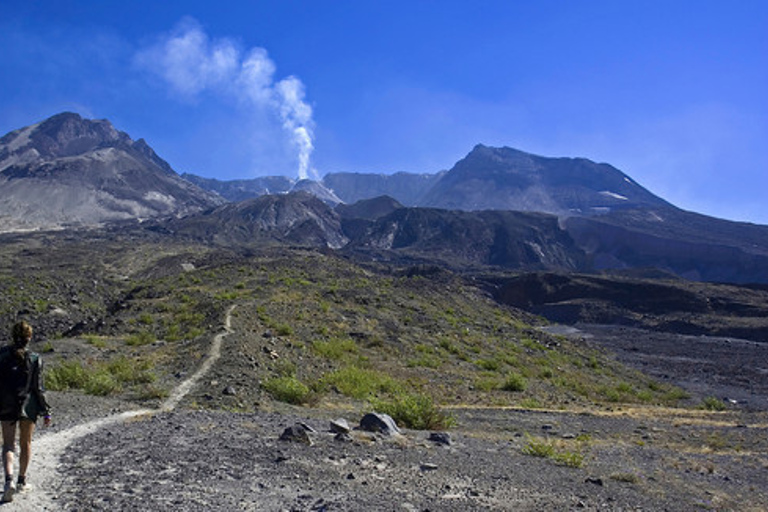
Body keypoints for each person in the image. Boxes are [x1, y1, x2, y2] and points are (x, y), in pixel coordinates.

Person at [0, 321, 51, 503]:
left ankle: (8, 481)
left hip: (6, 404)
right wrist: (46, 411)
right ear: (29, 337)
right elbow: (38, 388)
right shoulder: (35, 358)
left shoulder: (2, 354)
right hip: (28, 406)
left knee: (7, 445)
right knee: (26, 442)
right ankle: (22, 481)